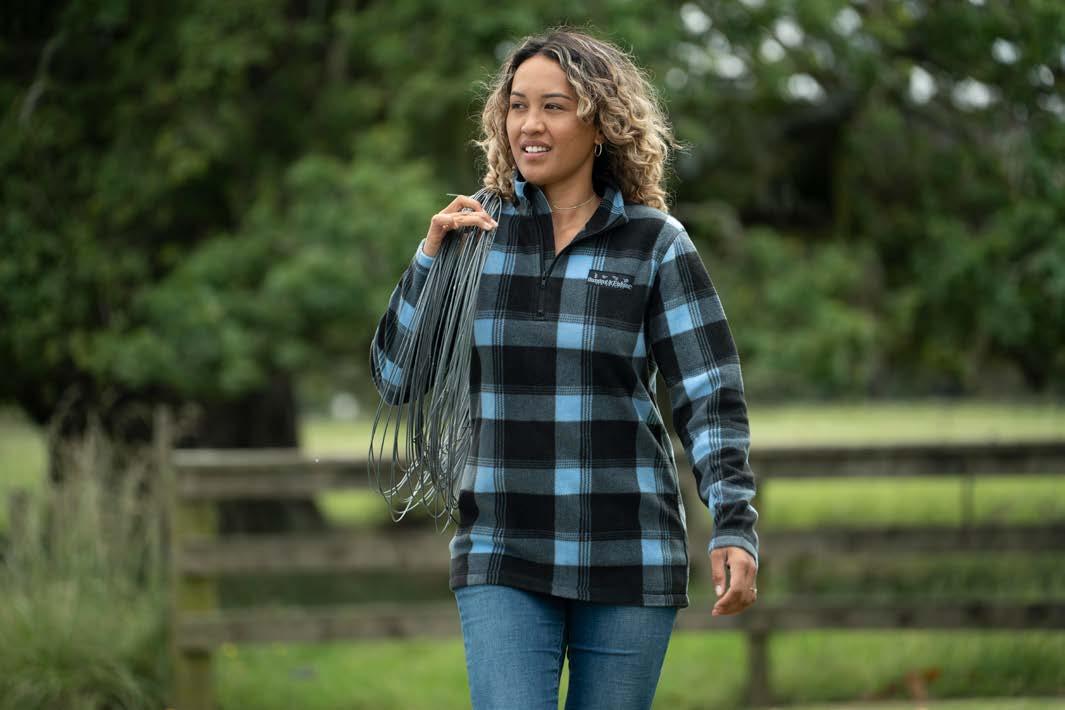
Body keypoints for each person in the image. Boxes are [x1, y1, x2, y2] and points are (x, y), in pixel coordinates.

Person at [370, 26, 759, 710]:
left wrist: (732, 520)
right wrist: (428, 258)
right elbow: (397, 377)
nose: (530, 124)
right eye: (517, 106)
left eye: (553, 106)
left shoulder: (654, 244)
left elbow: (710, 395)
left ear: (600, 123)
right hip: (501, 549)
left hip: (628, 553)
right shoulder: (472, 236)